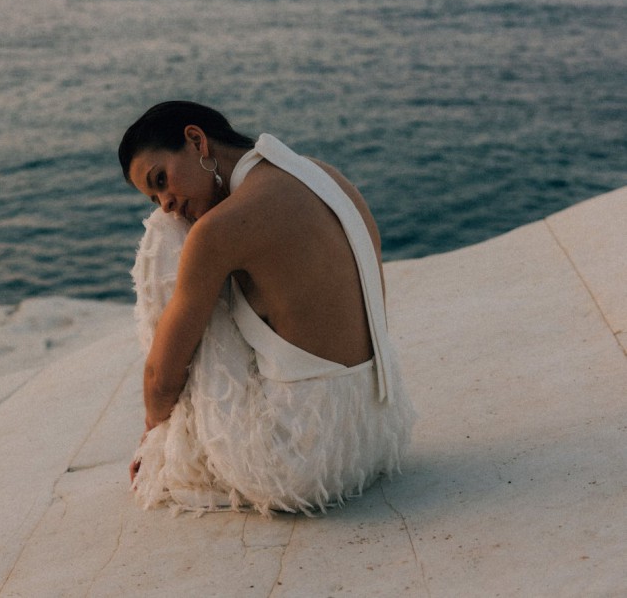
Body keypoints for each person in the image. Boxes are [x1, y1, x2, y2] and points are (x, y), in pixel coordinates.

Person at [119, 100, 415, 514]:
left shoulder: (219, 231)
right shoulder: (322, 175)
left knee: (166, 235)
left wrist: (154, 434)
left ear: (196, 140)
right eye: (155, 197)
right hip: (378, 434)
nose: (166, 202)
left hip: (298, 466)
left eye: (162, 180)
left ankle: (169, 451)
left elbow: (161, 378)